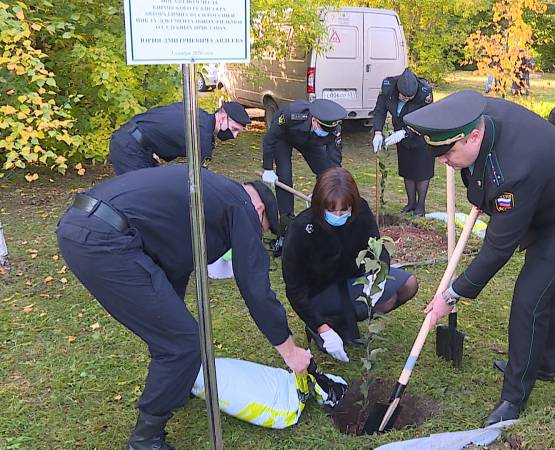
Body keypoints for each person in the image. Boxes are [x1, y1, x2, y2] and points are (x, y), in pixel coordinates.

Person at [55, 165, 311, 450]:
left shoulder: (214, 192)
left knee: (175, 330)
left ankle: (178, 380)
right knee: (183, 342)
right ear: (260, 208)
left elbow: (174, 260)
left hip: (86, 222)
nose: (254, 235)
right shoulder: (241, 206)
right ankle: (145, 439)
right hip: (103, 241)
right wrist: (290, 352)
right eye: (260, 229)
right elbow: (256, 289)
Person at [404, 90, 555, 426]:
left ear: (473, 135)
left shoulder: (514, 172)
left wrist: (452, 294)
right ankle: (541, 363)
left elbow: (497, 249)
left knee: (531, 296)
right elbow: (482, 170)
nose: (443, 162)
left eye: (448, 154)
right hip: (547, 195)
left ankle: (513, 398)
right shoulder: (478, 115)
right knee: (546, 286)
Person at [281, 167, 418, 362]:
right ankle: (324, 325)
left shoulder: (360, 211)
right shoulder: (302, 229)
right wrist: (323, 329)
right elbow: (294, 290)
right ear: (320, 205)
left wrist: (375, 278)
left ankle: (344, 320)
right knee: (333, 313)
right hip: (319, 292)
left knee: (407, 285)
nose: (338, 214)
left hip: (352, 280)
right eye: (331, 209)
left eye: (344, 209)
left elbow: (377, 249)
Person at [260, 98, 346, 235]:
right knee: (284, 175)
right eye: (323, 129)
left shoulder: (333, 129)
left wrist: (326, 189)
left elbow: (334, 160)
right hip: (284, 137)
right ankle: (286, 223)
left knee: (326, 172)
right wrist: (268, 168)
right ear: (314, 121)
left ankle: (326, 210)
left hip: (311, 141)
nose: (326, 132)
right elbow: (270, 139)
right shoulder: (292, 114)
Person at [109, 101, 250, 175]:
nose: (235, 136)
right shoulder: (201, 138)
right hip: (129, 147)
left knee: (152, 187)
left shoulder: (199, 115)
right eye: (234, 129)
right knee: (139, 195)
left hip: (133, 141)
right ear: (222, 117)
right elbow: (199, 180)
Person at [372, 68, 435, 216]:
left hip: (421, 136)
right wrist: (378, 132)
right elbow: (380, 110)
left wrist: (406, 132)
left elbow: (426, 118)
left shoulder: (425, 92)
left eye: (410, 97)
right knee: (407, 169)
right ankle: (411, 202)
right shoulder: (388, 87)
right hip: (401, 137)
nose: (406, 99)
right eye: (404, 96)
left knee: (421, 171)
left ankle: (420, 206)